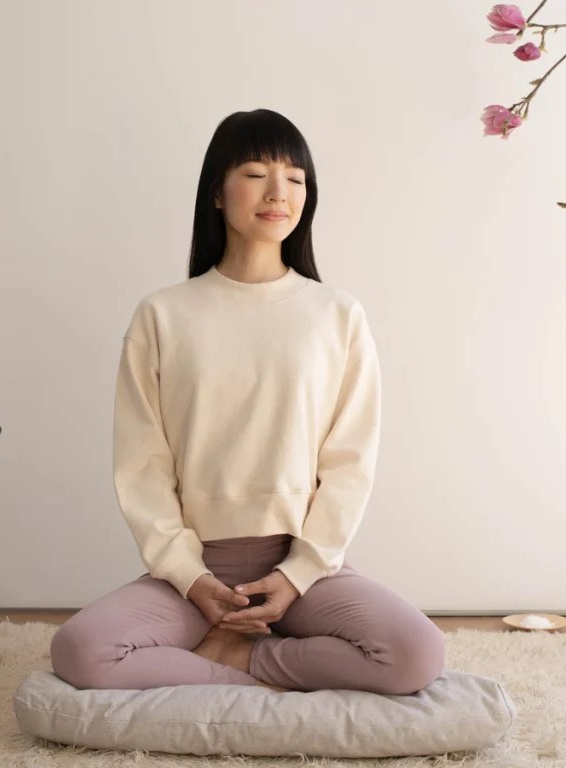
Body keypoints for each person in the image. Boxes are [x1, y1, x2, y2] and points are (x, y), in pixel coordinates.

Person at [50, 108, 445, 694]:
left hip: (301, 567)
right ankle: (236, 651)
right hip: (196, 570)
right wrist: (188, 576)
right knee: (80, 652)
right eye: (257, 173)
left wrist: (299, 571)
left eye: (296, 178)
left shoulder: (336, 315)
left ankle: (242, 663)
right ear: (217, 191)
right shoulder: (163, 314)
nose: (278, 193)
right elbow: (142, 464)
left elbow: (350, 463)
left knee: (415, 655)